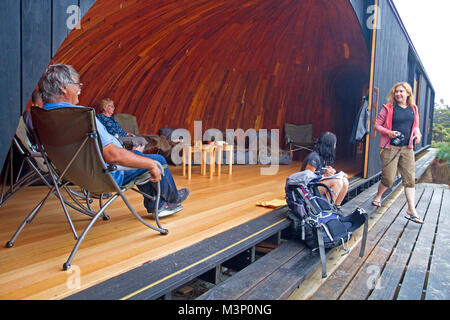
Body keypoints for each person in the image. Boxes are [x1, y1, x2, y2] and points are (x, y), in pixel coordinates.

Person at [36, 64, 189, 217]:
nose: (79, 89)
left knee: (140, 157)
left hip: (72, 175)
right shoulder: (80, 117)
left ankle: (158, 205)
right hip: (107, 174)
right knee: (157, 160)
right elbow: (113, 156)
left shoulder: (44, 116)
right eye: (77, 85)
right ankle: (173, 198)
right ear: (64, 88)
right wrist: (148, 163)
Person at [372, 82, 423, 224]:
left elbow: (416, 126)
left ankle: (411, 209)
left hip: (407, 148)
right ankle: (378, 195)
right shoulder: (388, 108)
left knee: (410, 179)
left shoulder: (413, 108)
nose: (398, 94)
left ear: (408, 93)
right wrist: (389, 132)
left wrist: (418, 135)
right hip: (390, 147)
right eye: (396, 91)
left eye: (401, 91)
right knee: (388, 179)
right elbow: (377, 125)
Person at [300, 131, 349, 207]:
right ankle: (326, 210)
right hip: (307, 190)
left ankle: (337, 207)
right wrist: (324, 175)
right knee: (337, 182)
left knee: (345, 181)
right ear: (329, 145)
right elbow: (307, 180)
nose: (335, 146)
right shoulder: (314, 157)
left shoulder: (325, 157)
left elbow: (323, 173)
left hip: (317, 185)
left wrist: (332, 173)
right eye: (334, 144)